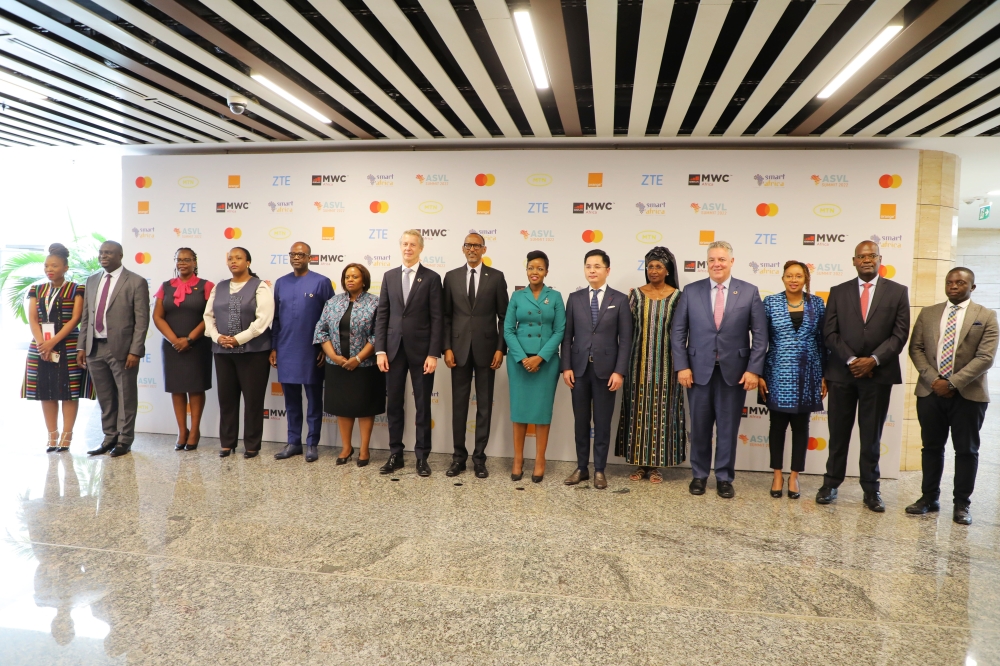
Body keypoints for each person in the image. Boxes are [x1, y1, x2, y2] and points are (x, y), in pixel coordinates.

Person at [817, 241, 909, 512]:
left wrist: (873, 360)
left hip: (878, 375)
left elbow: (900, 334)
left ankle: (871, 489)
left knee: (871, 436)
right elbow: (829, 332)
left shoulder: (897, 291)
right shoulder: (838, 291)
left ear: (880, 259)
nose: (867, 260)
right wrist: (852, 360)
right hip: (842, 374)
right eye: (861, 256)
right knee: (838, 434)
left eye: (872, 256)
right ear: (854, 261)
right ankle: (831, 484)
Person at [672, 240, 766, 499]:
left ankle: (724, 477)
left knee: (727, 428)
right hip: (697, 372)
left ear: (731, 262)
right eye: (712, 260)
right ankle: (699, 475)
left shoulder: (748, 292)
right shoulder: (691, 291)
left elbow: (760, 336)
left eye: (722, 259)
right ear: (707, 263)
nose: (716, 264)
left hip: (734, 373)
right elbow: (678, 332)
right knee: (700, 427)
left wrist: (753, 370)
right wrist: (682, 366)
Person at [906, 268, 998, 525]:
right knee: (931, 448)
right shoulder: (928, 313)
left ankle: (961, 504)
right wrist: (934, 380)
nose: (954, 286)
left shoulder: (986, 316)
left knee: (966, 450)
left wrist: (952, 383)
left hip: (968, 394)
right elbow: (916, 349)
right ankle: (928, 498)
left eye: (960, 282)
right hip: (930, 391)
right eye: (950, 282)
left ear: (972, 287)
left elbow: (985, 357)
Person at [561, 249, 632, 490]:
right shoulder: (575, 298)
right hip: (579, 370)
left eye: (597, 266)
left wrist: (619, 371)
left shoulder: (619, 300)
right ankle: (582, 468)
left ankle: (600, 470)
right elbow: (567, 336)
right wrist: (566, 367)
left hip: (606, 373)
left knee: (602, 423)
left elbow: (626, 340)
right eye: (588, 266)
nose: (592, 270)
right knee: (581, 422)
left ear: (607, 270)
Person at [375, 230, 443, 477]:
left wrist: (433, 353)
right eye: (404, 243)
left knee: (422, 405)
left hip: (422, 352)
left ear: (420, 248)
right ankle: (396, 454)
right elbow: (383, 315)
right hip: (393, 351)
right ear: (400, 246)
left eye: (413, 244)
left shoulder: (432, 278)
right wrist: (380, 350)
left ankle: (422, 457)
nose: (408, 248)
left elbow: (437, 319)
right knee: (394, 404)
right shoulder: (389, 276)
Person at [615, 246, 685, 484]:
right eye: (650, 266)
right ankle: (639, 464)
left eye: (658, 266)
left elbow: (682, 332)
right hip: (637, 365)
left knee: (662, 415)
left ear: (668, 270)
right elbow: (626, 331)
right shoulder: (635, 295)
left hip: (668, 367)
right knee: (638, 413)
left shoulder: (677, 296)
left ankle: (656, 467)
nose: (653, 271)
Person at [442, 232, 509, 479]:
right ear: (463, 249)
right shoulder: (451, 277)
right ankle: (458, 458)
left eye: (476, 246)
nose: (472, 249)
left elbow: (504, 317)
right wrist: (447, 348)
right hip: (458, 350)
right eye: (468, 245)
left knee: (484, 406)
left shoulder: (497, 277)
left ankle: (479, 459)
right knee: (459, 406)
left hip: (487, 350)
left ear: (484, 249)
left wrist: (500, 348)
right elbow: (446, 316)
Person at [758, 261, 827, 499]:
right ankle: (777, 474)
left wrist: (824, 374)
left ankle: (795, 476)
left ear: (806, 279)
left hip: (808, 373)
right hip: (777, 372)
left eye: (798, 276)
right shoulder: (770, 302)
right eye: (789, 276)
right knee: (777, 426)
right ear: (783, 278)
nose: (793, 280)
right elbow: (761, 341)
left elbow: (822, 342)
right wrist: (759, 373)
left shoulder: (817, 303)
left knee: (801, 426)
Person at [78, 240, 150, 458]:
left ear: (120, 255)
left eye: (108, 253)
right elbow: (86, 316)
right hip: (94, 348)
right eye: (101, 252)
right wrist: (82, 346)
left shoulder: (136, 281)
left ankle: (124, 440)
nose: (103, 256)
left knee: (126, 396)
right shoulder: (92, 280)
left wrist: (135, 350)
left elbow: (142, 320)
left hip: (122, 349)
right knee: (105, 397)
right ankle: (109, 437)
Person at [22, 242, 95, 452]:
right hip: (40, 346)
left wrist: (52, 342)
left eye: (54, 266)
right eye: (46, 266)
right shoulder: (37, 289)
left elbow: (76, 319)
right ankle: (52, 434)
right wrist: (42, 344)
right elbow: (33, 319)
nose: (49, 269)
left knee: (68, 392)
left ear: (65, 267)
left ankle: (67, 435)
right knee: (46, 391)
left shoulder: (76, 289)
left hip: (69, 344)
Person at [204, 247, 274, 459]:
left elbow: (263, 320)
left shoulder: (260, 286)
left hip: (254, 353)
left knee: (253, 401)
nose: (233, 261)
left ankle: (252, 445)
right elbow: (208, 316)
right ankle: (227, 443)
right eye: (230, 258)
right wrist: (217, 337)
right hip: (222, 352)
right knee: (226, 399)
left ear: (248, 262)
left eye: (238, 258)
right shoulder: (219, 287)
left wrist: (238, 339)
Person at [314, 263, 384, 467]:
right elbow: (321, 331)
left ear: (364, 280)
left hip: (365, 366)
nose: (350, 280)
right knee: (342, 407)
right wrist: (333, 356)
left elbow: (377, 335)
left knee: (365, 407)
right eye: (347, 277)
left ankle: (364, 449)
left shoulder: (375, 303)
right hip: (337, 365)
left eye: (355, 276)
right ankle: (346, 447)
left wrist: (358, 358)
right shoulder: (333, 302)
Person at [270, 242, 335, 463]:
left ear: (309, 257)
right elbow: (276, 319)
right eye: (293, 254)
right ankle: (293, 442)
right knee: (291, 402)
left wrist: (326, 348)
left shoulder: (322, 282)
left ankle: (312, 444)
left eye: (301, 254)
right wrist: (274, 347)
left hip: (312, 350)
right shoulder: (281, 283)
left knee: (314, 400)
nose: (296, 257)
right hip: (286, 349)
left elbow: (331, 318)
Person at [504, 251, 565, 482]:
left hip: (546, 362)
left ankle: (540, 459)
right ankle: (518, 459)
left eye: (539, 268)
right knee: (519, 411)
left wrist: (539, 357)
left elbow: (560, 330)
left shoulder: (555, 296)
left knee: (542, 412)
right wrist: (522, 358)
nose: (534, 272)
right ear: (526, 270)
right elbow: (508, 329)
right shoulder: (517, 296)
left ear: (546, 271)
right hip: (519, 362)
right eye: (531, 268)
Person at [152, 248, 214, 451]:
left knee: (196, 387)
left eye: (187, 259)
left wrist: (189, 339)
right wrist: (174, 340)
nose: (182, 263)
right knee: (177, 388)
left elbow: (209, 316)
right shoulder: (165, 287)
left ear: (195, 262)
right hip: (172, 346)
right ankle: (182, 431)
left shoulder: (206, 286)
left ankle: (194, 431)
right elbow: (157, 316)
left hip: (197, 345)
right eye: (179, 259)